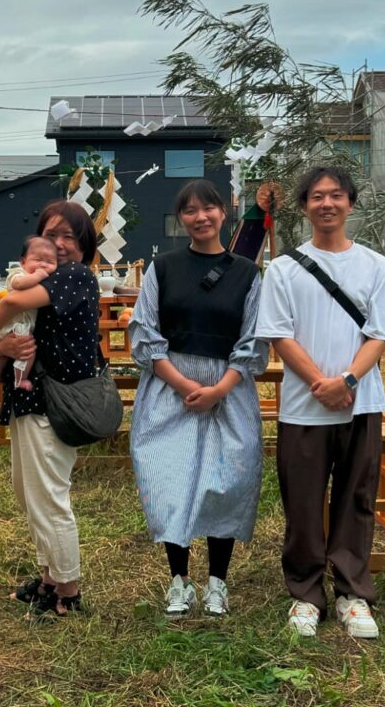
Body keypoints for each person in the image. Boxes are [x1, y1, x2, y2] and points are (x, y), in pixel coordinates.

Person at [255, 166, 385, 639]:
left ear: (350, 204)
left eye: (336, 196)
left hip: (362, 403)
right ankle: (305, 595)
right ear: (304, 207)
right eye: (317, 197)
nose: (327, 204)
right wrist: (323, 383)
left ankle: (353, 594)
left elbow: (379, 334)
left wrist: (349, 380)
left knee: (357, 498)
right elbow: (278, 334)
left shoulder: (378, 267)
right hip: (303, 407)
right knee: (303, 502)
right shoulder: (283, 268)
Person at [129, 179, 266, 618]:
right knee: (172, 480)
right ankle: (179, 581)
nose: (200, 217)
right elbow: (145, 332)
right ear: (181, 218)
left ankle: (218, 584)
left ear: (224, 212)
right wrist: (186, 385)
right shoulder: (163, 267)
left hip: (229, 389)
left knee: (223, 483)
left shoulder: (248, 273)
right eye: (190, 210)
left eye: (208, 208)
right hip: (171, 389)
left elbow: (253, 338)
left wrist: (221, 388)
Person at [0, 200, 100, 617]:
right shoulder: (46, 280)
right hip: (29, 397)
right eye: (52, 235)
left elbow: (9, 304)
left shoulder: (75, 276)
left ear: (85, 247)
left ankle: (69, 590)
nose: (61, 244)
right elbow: (13, 323)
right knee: (28, 491)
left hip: (55, 400)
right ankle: (50, 577)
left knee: (48, 497)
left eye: (71, 237)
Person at [0, 236, 58, 391]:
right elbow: (19, 284)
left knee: (4, 354)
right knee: (27, 353)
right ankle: (20, 379)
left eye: (50, 262)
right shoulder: (17, 274)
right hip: (16, 325)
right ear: (23, 262)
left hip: (15, 325)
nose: (43, 264)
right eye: (38, 259)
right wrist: (39, 275)